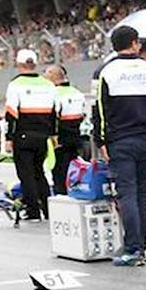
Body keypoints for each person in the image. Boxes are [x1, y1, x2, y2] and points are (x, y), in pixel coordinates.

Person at [92, 25, 146, 267]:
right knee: (143, 194)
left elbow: (100, 110)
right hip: (145, 139)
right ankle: (140, 247)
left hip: (120, 141)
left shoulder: (106, 71)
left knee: (127, 194)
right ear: (135, 43)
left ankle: (133, 247)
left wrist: (100, 140)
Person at [3, 48, 56, 220]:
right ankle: (48, 210)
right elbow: (54, 113)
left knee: (26, 174)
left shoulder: (15, 84)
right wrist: (53, 135)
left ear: (19, 64)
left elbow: (11, 115)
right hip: (43, 136)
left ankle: (33, 210)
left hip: (23, 135)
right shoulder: (48, 84)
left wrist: (9, 138)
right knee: (39, 172)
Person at [46, 63, 87, 195]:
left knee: (59, 171)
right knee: (72, 169)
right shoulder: (77, 93)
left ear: (53, 75)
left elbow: (53, 118)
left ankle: (61, 196)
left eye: (47, 73)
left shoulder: (53, 93)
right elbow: (83, 115)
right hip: (75, 137)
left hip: (60, 139)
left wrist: (54, 137)